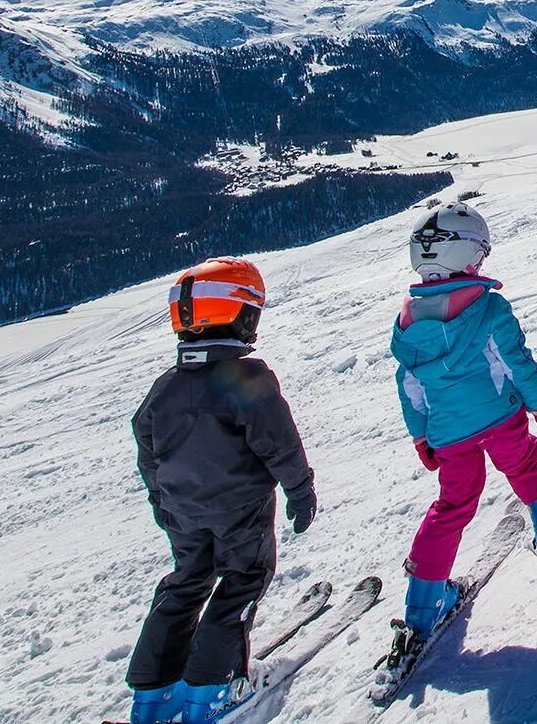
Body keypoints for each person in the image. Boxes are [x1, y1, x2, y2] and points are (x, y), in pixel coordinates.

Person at [391, 200, 537, 648]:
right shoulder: (488, 308)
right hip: (502, 420)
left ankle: (423, 605)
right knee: (531, 473)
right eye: (478, 253)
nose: (482, 262)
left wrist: (421, 434)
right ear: (460, 255)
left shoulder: (405, 326)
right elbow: (516, 362)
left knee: (452, 507)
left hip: (450, 435)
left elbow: (411, 388)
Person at [128, 257, 317, 724]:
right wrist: (300, 488)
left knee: (187, 582)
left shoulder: (165, 387)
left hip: (183, 512)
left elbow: (147, 450)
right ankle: (211, 689)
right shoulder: (247, 378)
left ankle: (153, 694)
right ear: (237, 314)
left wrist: (163, 504)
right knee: (244, 580)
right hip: (241, 511)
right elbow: (279, 443)